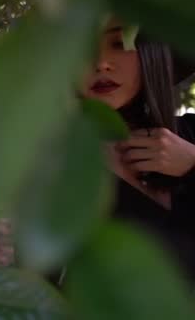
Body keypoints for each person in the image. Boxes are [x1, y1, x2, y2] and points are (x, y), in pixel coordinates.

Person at [79, 18, 195, 284]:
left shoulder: (190, 133)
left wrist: (191, 163)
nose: (101, 63)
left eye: (119, 43)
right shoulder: (60, 170)